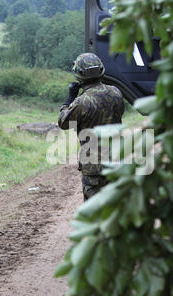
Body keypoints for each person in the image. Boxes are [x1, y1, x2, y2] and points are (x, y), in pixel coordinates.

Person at [58, 53, 125, 201]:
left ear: (79, 74)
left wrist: (69, 99)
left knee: (94, 213)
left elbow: (63, 123)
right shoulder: (116, 92)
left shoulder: (81, 101)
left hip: (94, 167)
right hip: (115, 160)